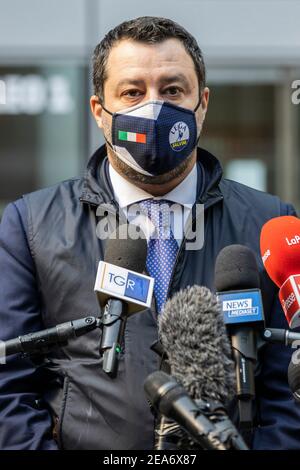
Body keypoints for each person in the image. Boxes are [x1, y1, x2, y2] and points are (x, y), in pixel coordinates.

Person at [0, 16, 299, 450]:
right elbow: (8, 384)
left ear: (203, 103)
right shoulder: (30, 226)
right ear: (99, 111)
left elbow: (288, 389)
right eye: (132, 92)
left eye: (173, 90)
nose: (153, 108)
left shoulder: (270, 224)